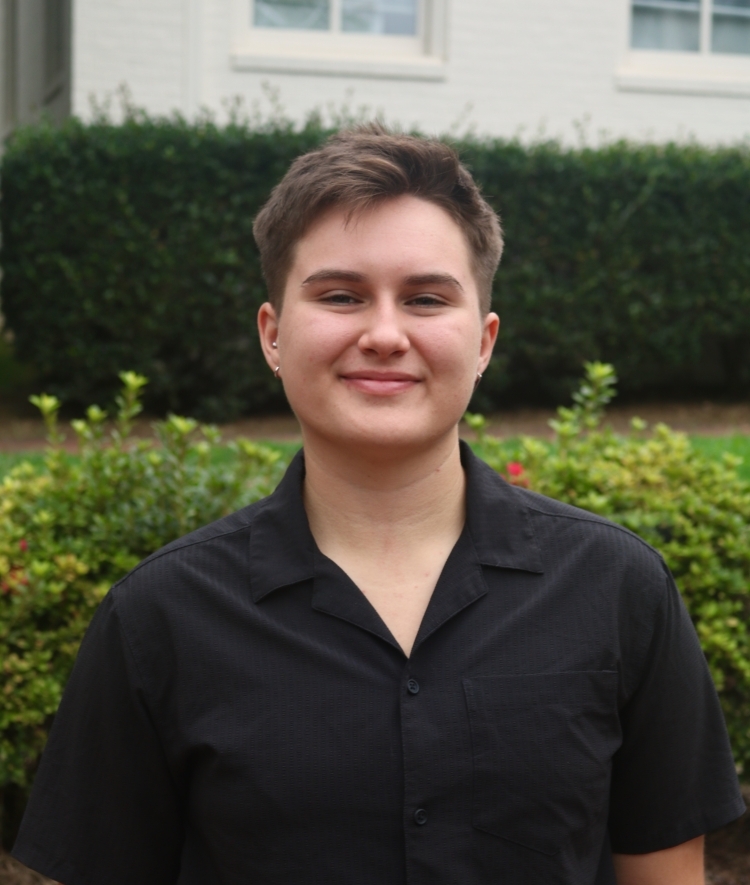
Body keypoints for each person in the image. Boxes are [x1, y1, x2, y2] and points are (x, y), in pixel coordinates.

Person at [12, 125, 744, 885]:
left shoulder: (620, 589)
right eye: (341, 295)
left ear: (485, 340)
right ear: (272, 334)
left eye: (426, 298)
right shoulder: (157, 617)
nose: (385, 333)